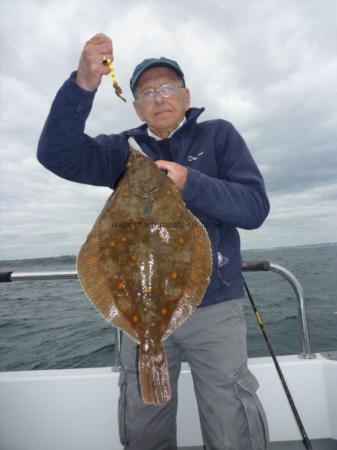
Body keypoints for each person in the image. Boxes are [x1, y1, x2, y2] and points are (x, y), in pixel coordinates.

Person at [37, 33, 270, 450]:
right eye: (146, 91)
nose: (158, 97)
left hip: (215, 309)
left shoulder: (219, 136)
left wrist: (191, 183)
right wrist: (83, 83)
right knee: (144, 428)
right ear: (137, 105)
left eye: (167, 88)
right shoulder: (122, 151)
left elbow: (254, 208)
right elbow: (56, 154)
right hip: (138, 316)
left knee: (230, 421)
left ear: (185, 95)